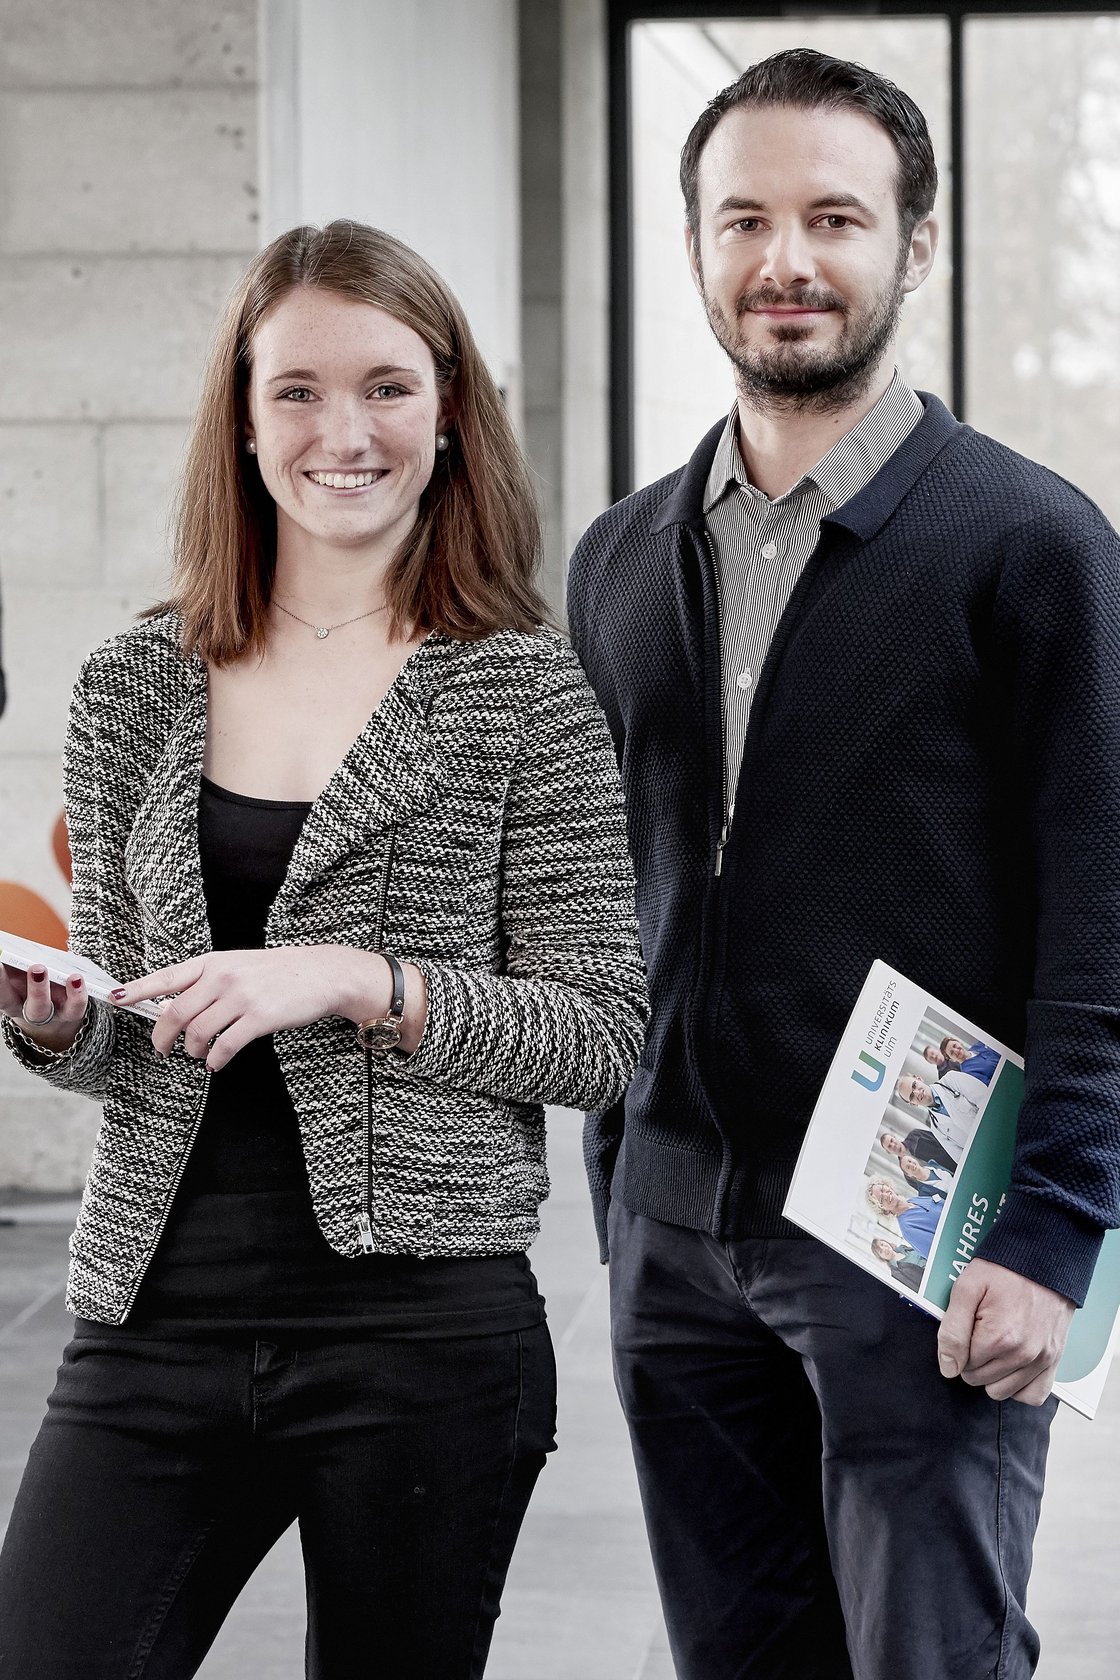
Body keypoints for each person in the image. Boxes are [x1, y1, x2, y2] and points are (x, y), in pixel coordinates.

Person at [0, 220, 648, 1679]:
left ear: (448, 412)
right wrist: (55, 1021)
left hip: (422, 1333)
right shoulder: (132, 686)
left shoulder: (526, 694)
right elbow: (127, 1038)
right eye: (296, 389)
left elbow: (605, 1031)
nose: (342, 432)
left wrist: (362, 982)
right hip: (152, 1315)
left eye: (387, 387)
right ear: (240, 415)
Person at [566, 45, 1120, 1680]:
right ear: (694, 250)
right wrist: (616, 1169)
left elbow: (1103, 922)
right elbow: (610, 899)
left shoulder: (1032, 546)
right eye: (744, 220)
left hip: (921, 1235)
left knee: (928, 1656)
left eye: (834, 218)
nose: (786, 261)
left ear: (916, 246)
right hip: (674, 1225)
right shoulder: (615, 561)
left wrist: (1056, 1232)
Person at [894, 1070, 984, 1161]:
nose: (917, 1093)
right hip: (984, 1151)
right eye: (911, 1096)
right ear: (913, 1104)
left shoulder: (951, 1080)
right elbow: (961, 1158)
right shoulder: (936, 1128)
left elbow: (985, 1098)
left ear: (919, 1078)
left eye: (914, 1085)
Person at [866, 1177, 944, 1260]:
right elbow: (938, 1254)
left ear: (887, 1185)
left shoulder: (914, 1200)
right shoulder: (908, 1228)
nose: (886, 1195)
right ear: (883, 1210)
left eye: (882, 1189)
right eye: (881, 1199)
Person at [878, 1124, 956, 1176]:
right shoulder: (906, 1172)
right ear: (888, 1152)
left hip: (953, 1161)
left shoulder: (915, 1135)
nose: (893, 1145)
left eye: (891, 1140)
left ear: (894, 1137)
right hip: (947, 1181)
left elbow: (938, 1139)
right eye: (889, 1146)